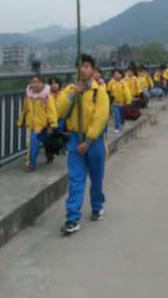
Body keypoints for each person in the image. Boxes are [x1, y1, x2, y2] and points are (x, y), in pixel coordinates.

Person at [56, 54, 110, 235]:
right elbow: (59, 110)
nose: (83, 69)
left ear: (93, 70)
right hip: (74, 139)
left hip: (93, 141)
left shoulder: (99, 91)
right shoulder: (70, 89)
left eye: (87, 66)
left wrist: (88, 141)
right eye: (79, 66)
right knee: (76, 179)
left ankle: (97, 205)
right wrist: (72, 95)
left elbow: (100, 117)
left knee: (96, 178)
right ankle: (72, 218)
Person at [17, 75, 58, 171]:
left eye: (38, 82)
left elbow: (51, 111)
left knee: (47, 143)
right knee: (32, 145)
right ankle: (31, 164)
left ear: (43, 84)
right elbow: (25, 110)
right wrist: (21, 121)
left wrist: (52, 124)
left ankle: (50, 153)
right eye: (33, 82)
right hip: (32, 126)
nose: (35, 84)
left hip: (43, 126)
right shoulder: (29, 96)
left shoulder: (47, 96)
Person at [107, 69, 131, 134]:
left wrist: (128, 101)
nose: (116, 75)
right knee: (117, 115)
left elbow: (127, 92)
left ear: (121, 75)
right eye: (115, 74)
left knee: (122, 115)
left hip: (122, 103)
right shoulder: (111, 83)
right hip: (114, 103)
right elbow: (108, 91)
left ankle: (121, 124)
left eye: (118, 74)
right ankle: (116, 127)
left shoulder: (123, 83)